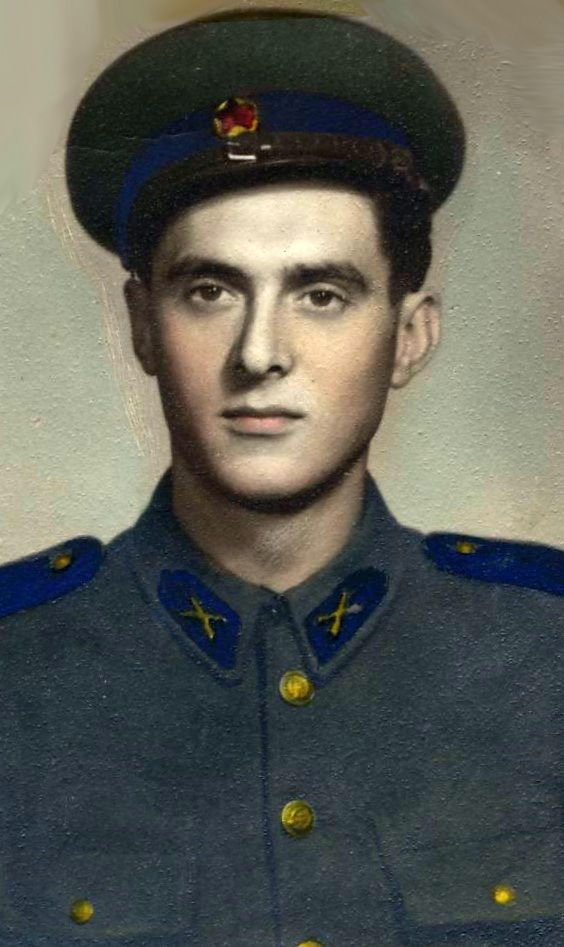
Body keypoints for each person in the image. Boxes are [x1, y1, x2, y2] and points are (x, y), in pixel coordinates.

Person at [0, 9, 563, 947]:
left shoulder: (543, 653)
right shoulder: (17, 670)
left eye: (322, 294)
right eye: (210, 291)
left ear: (410, 336)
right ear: (142, 327)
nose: (260, 352)